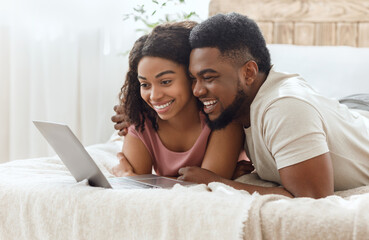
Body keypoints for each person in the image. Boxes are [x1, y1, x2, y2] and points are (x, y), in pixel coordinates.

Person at [176, 13, 369, 198]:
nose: (197, 91)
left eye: (209, 77)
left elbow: (312, 199)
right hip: (348, 108)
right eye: (194, 79)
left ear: (249, 73)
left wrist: (215, 182)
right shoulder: (240, 107)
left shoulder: (285, 107)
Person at [111, 21, 249, 179]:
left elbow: (208, 189)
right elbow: (137, 190)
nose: (154, 96)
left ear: (193, 77)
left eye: (165, 82)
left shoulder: (223, 118)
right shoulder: (142, 123)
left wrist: (133, 178)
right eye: (145, 84)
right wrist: (132, 179)